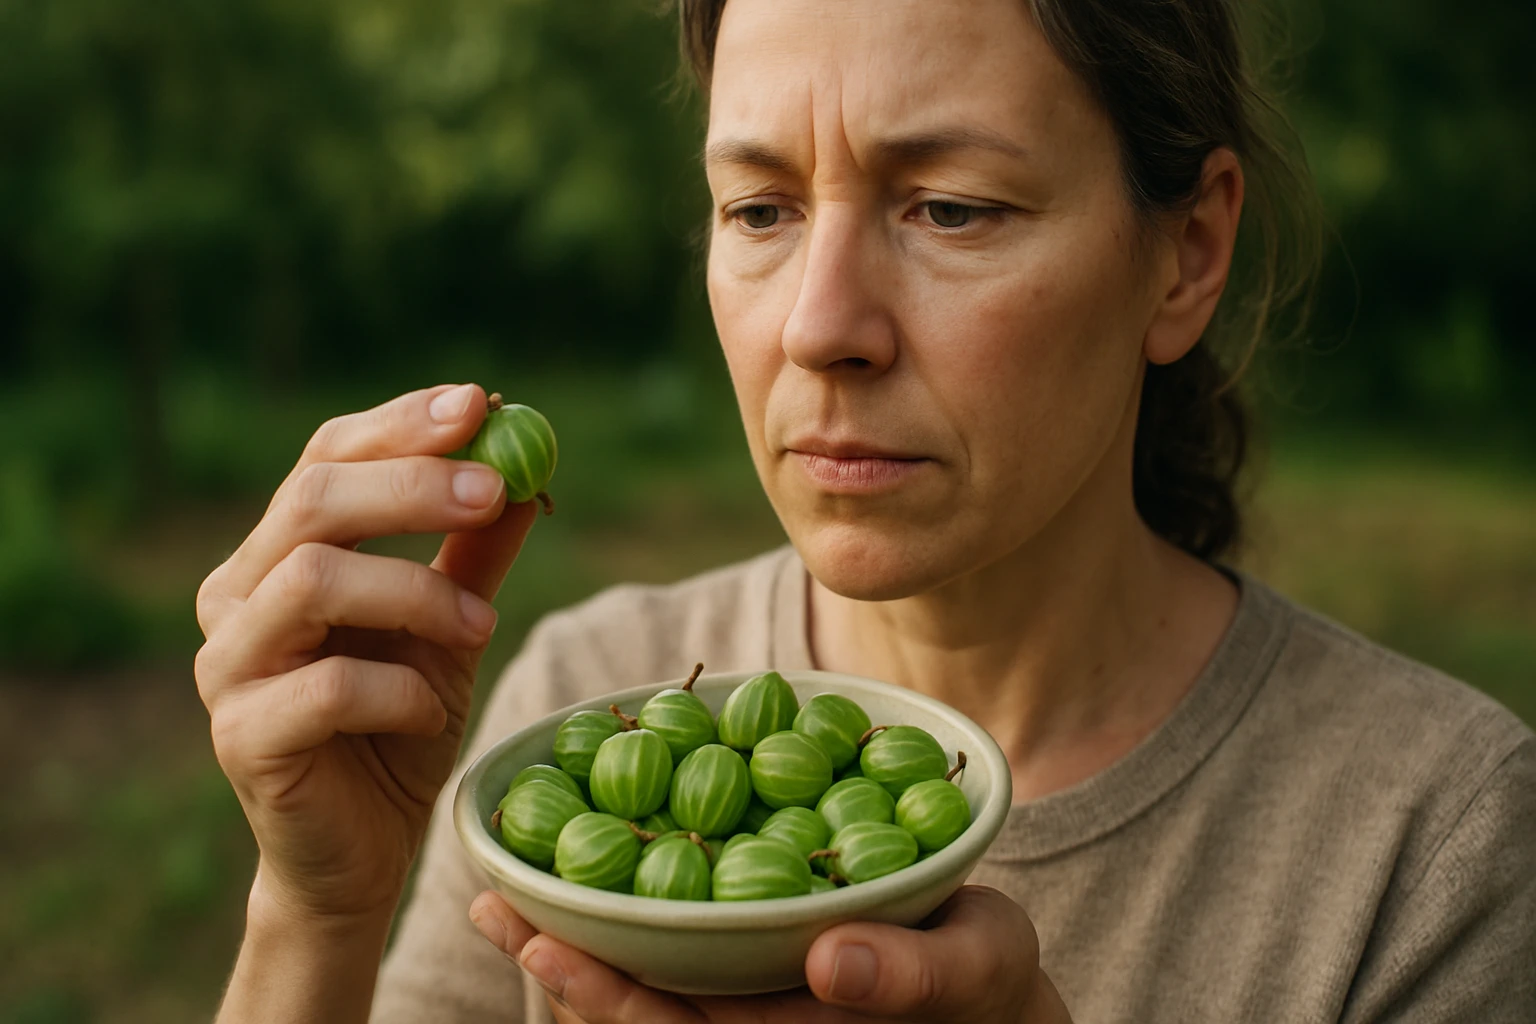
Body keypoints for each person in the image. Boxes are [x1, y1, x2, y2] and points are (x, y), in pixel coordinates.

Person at [193, 0, 1536, 1021]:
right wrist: (315, 917)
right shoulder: (587, 709)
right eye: (759, 207)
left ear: (1185, 256)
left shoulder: (1434, 847)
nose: (820, 327)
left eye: (951, 208)